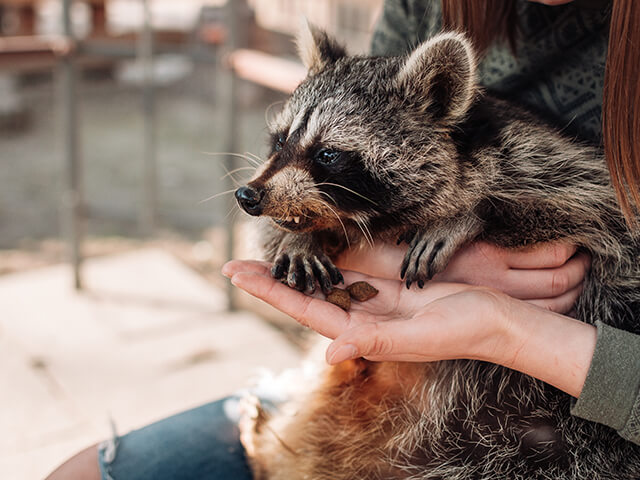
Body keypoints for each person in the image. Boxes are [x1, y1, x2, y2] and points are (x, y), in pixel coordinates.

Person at [45, 0, 640, 478]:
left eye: (328, 157)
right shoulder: (427, 9)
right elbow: (328, 210)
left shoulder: (505, 156)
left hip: (538, 439)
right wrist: (379, 256)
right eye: (281, 147)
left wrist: (505, 318)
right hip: (357, 407)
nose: (263, 180)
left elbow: (593, 220)